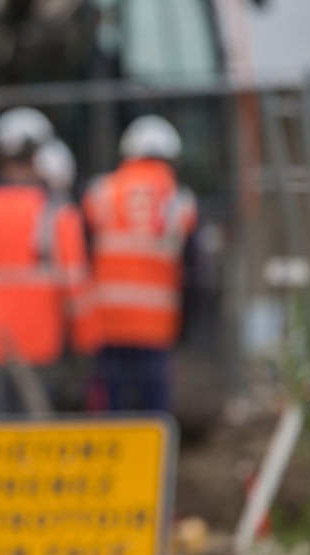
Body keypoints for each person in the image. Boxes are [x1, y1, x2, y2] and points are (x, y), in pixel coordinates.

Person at [0, 108, 100, 413]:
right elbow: (76, 288)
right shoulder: (59, 213)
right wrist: (86, 345)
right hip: (43, 346)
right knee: (37, 436)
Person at [81, 115, 197, 411]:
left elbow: (80, 255)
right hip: (156, 327)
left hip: (106, 323)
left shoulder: (99, 193)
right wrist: (188, 327)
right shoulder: (180, 201)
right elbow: (196, 272)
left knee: (113, 413)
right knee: (152, 416)